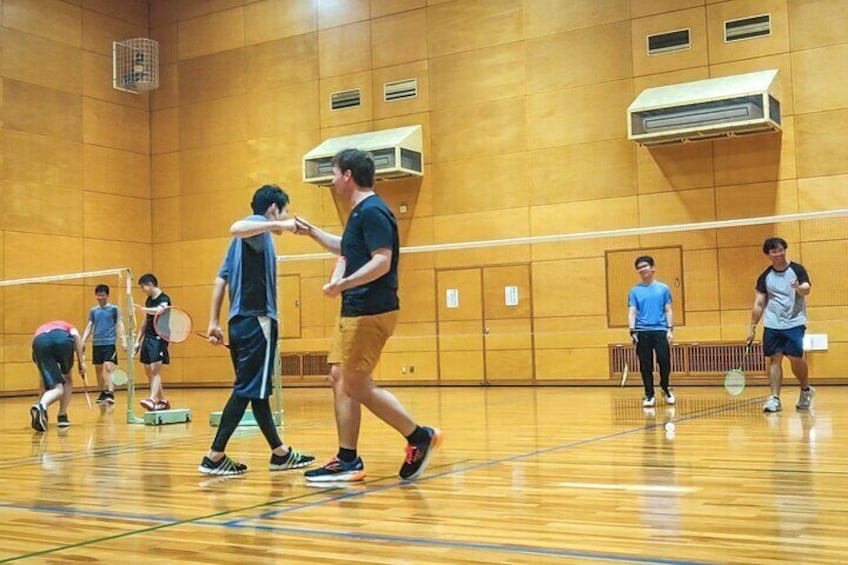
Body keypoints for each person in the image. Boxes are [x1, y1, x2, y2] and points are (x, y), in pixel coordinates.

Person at [295, 148, 442, 483]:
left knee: (355, 383)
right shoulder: (359, 213)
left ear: (347, 175)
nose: (331, 181)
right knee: (339, 376)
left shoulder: (373, 211)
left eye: (333, 174)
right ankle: (347, 457)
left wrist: (343, 282)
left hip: (369, 310)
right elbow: (348, 248)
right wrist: (314, 233)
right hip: (354, 309)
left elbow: (382, 261)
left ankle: (417, 435)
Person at [199, 184, 315, 476]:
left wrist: (213, 321)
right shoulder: (257, 228)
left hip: (238, 323)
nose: (286, 216)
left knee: (257, 391)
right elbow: (235, 226)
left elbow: (220, 280)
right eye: (284, 210)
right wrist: (280, 224)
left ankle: (280, 453)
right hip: (258, 322)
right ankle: (214, 456)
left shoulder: (246, 239)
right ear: (273, 208)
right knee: (247, 389)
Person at [747, 237, 814, 413]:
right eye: (773, 251)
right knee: (774, 359)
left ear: (785, 250)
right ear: (768, 255)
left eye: (780, 250)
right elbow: (759, 303)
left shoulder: (797, 269)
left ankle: (805, 390)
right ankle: (775, 398)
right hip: (773, 323)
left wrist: (798, 287)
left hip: (794, 321)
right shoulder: (765, 276)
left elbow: (807, 289)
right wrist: (752, 327)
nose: (778, 254)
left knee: (795, 359)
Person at [628, 255, 675, 408]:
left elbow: (668, 310)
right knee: (645, 365)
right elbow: (632, 312)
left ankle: (665, 387)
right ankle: (649, 394)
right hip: (642, 331)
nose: (642, 270)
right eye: (639, 268)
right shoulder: (634, 291)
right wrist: (633, 332)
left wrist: (670, 330)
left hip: (660, 330)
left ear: (653, 268)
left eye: (645, 266)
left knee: (664, 362)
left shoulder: (663, 288)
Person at [30, 321, 87, 431]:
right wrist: (81, 362)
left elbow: (43, 383)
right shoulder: (69, 327)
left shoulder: (41, 329)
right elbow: (77, 338)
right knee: (65, 380)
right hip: (61, 340)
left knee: (48, 383)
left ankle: (41, 409)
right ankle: (61, 415)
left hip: (39, 342)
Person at [81, 284, 127, 405]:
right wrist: (83, 340)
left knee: (108, 367)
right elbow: (90, 326)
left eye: (102, 295)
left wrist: (123, 340)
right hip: (97, 343)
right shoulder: (94, 311)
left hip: (109, 343)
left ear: (107, 295)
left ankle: (110, 393)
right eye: (98, 295)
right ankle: (103, 392)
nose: (100, 297)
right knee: (98, 370)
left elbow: (119, 324)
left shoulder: (114, 309)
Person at [134, 273, 171, 411]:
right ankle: (163, 400)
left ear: (150, 284)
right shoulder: (149, 300)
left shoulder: (164, 298)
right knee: (148, 370)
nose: (142, 289)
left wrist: (143, 310)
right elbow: (145, 321)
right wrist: (138, 340)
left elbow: (159, 311)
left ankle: (152, 399)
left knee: (155, 369)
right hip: (148, 337)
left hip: (160, 337)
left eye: (142, 287)